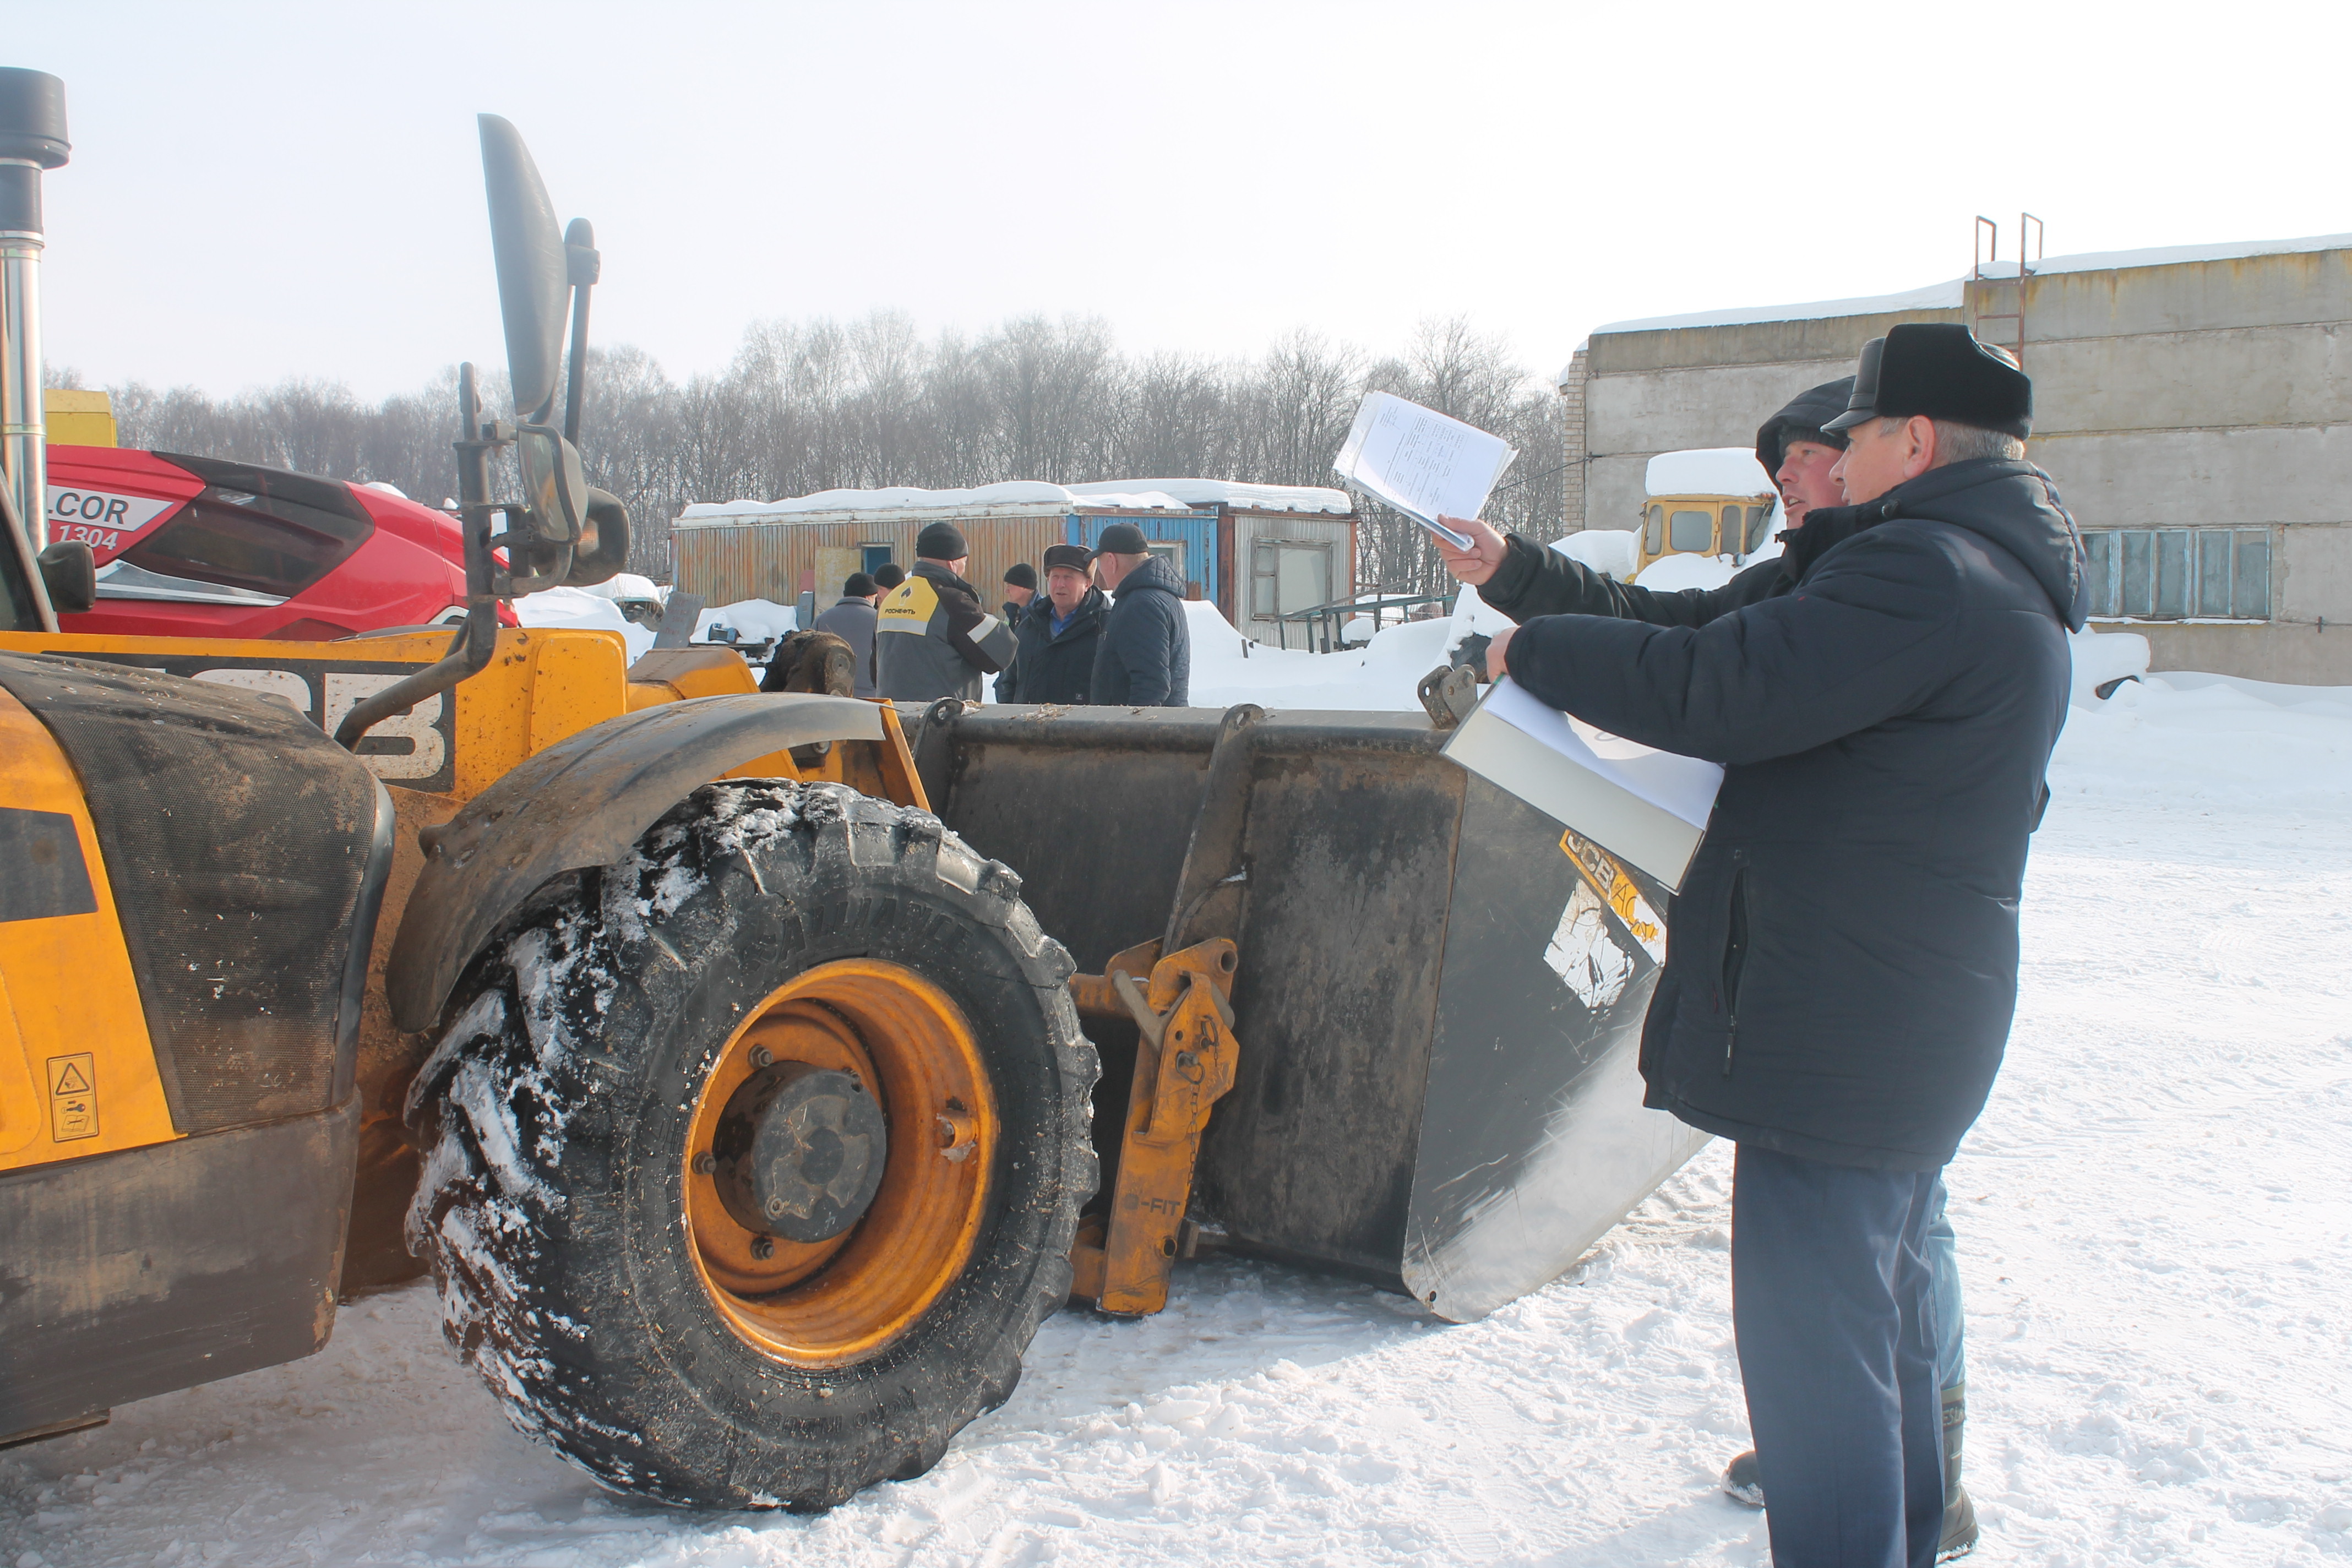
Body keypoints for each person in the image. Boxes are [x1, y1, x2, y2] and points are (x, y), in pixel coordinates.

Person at [1451, 323, 2082, 1568]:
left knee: (1818, 1359)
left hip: (1848, 1026)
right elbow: (1713, 648)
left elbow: (1717, 683)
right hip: (1897, 1016)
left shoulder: (1925, 574)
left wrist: (1530, 650)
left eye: (1849, 438)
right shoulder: (1994, 575)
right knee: (1879, 1319)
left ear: (1913, 438)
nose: (1832, 464)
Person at [874, 522, 1017, 704]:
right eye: (964, 562)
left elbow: (876, 669)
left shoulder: (892, 599)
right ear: (952, 563)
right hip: (940, 721)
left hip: (895, 718)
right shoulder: (952, 602)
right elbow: (1002, 653)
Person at [1087, 522, 1190, 707]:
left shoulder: (1141, 605)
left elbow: (1151, 686)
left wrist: (1133, 734)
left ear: (1112, 561)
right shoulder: (1159, 597)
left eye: (1100, 563)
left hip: (1147, 731)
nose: (1100, 572)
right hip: (1165, 727)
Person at [995, 544, 1107, 705]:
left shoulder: (1102, 627)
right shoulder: (1030, 626)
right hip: (1026, 727)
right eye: (1055, 577)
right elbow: (1008, 681)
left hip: (1081, 728)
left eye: (1068, 577)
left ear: (1088, 583)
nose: (1060, 584)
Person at [810, 571, 880, 699]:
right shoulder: (878, 620)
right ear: (869, 596)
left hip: (830, 696)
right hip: (871, 698)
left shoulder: (822, 619)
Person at [993, 563, 1039, 701]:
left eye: (1010, 586)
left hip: (1026, 696)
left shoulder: (1041, 616)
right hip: (1007, 689)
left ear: (1025, 587)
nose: (1007, 591)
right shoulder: (1012, 614)